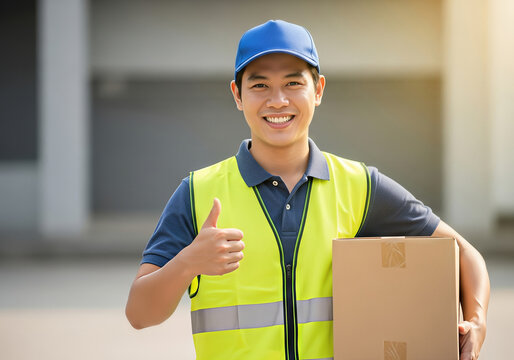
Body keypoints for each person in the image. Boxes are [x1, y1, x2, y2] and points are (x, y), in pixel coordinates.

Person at [126, 20, 489, 360]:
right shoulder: (198, 193)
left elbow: (463, 253)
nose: (278, 100)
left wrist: (476, 320)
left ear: (318, 90)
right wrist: (188, 262)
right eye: (259, 85)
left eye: (293, 83)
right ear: (237, 94)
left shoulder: (358, 186)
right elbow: (139, 314)